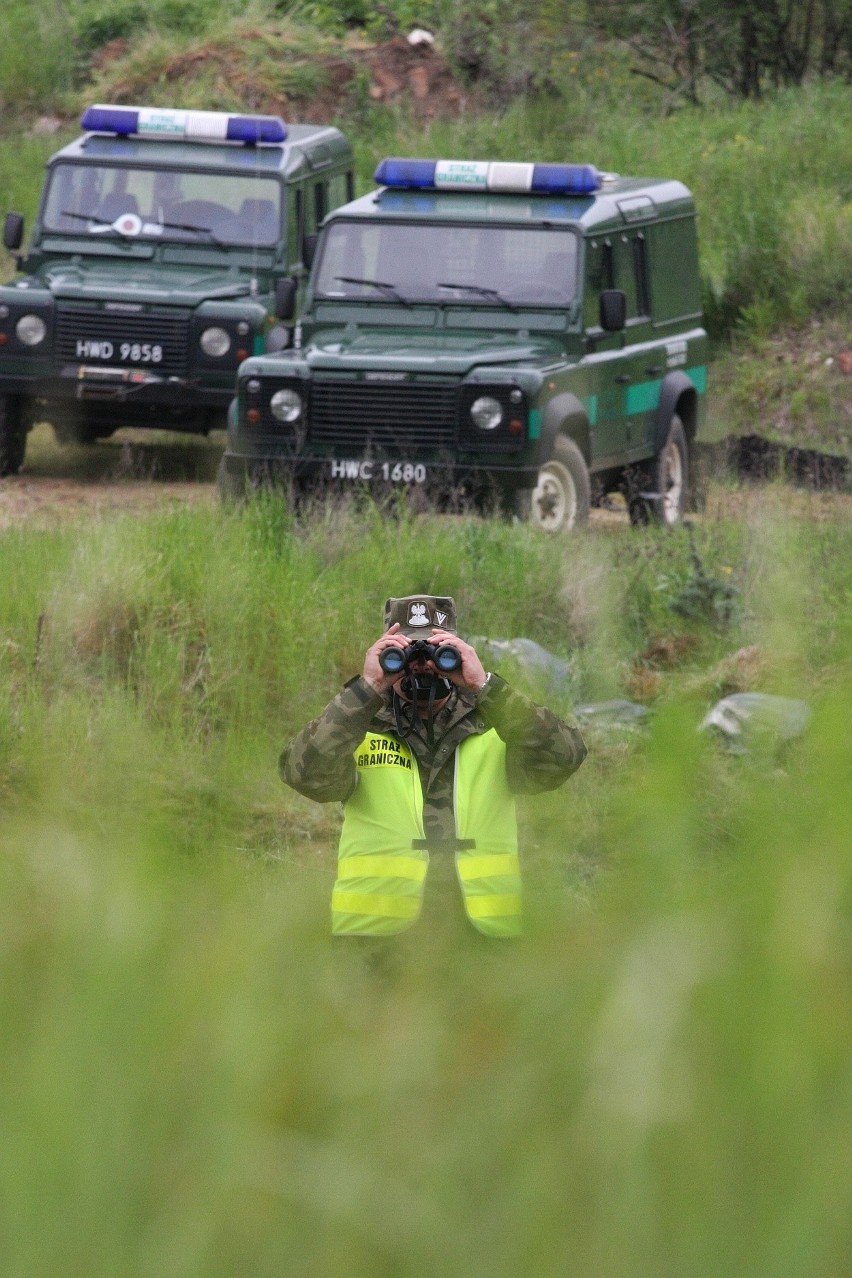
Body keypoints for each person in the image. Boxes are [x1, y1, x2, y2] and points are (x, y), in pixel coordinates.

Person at [280, 595, 587, 939]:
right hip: (376, 940)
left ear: (456, 650)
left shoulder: (493, 726)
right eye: (407, 652)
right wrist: (366, 691)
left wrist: (484, 687)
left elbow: (566, 756)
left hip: (479, 937)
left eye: (435, 651)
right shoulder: (360, 726)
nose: (421, 664)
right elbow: (301, 773)